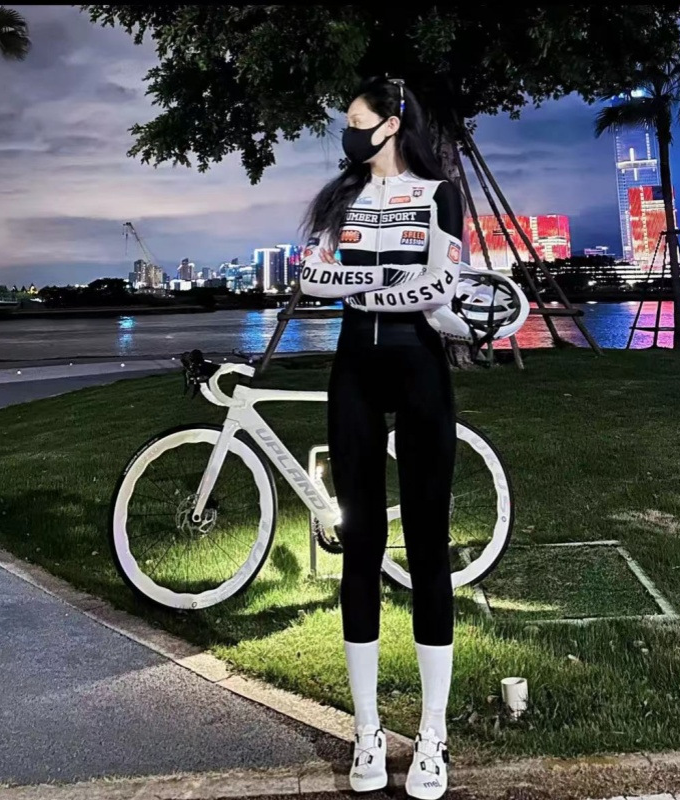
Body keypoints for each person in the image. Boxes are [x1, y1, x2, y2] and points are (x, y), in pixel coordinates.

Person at [300, 76, 463, 800]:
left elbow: (437, 288)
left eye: (356, 120)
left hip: (421, 369)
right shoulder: (339, 199)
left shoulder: (439, 194)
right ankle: (365, 730)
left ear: (391, 124)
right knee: (359, 546)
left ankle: (432, 734)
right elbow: (312, 278)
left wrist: (357, 286)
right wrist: (379, 285)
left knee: (428, 548)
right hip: (354, 375)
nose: (348, 132)